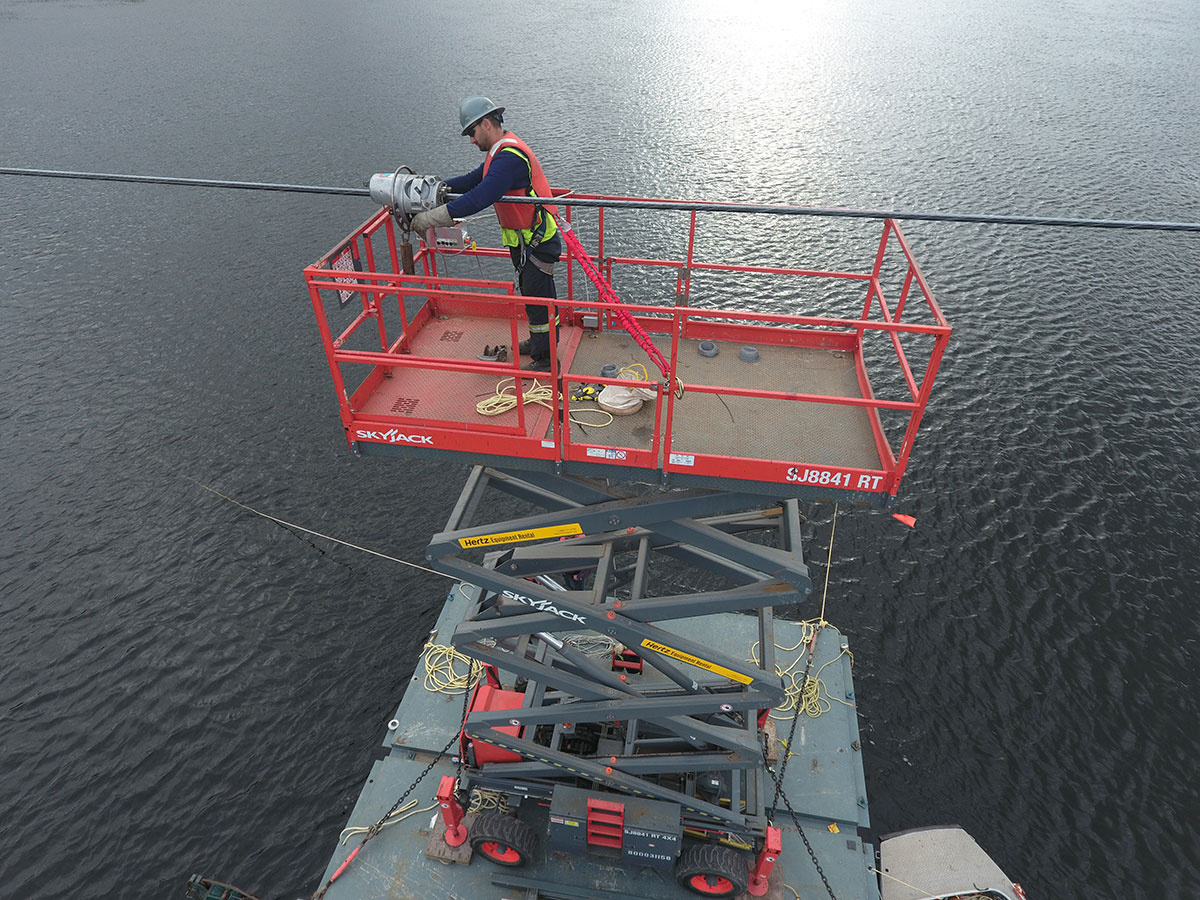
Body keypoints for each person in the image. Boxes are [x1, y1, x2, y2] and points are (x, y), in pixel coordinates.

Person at [411, 96, 561, 372]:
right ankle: (539, 344)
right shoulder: (500, 152)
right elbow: (473, 180)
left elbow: (481, 196)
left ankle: (547, 361)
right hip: (526, 241)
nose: (471, 140)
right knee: (532, 297)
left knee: (541, 302)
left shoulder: (509, 158)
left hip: (537, 241)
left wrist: (431, 218)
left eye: (472, 132)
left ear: (487, 124)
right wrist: (435, 189)